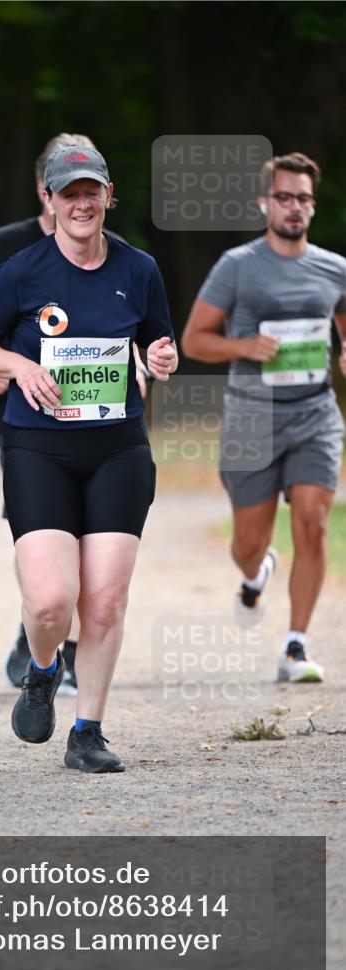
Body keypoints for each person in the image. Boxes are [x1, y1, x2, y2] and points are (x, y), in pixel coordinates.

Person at [0, 144, 177, 773]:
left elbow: (157, 345)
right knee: (51, 602)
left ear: (109, 196)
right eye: (68, 193)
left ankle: (89, 733)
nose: (81, 204)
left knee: (104, 601)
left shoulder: (139, 269)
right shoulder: (24, 270)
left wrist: (159, 361)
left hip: (117, 448)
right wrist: (19, 364)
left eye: (92, 191)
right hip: (39, 450)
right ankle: (45, 668)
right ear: (49, 202)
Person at [182, 152, 346, 682]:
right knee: (248, 543)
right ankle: (255, 577)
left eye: (302, 198)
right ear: (264, 203)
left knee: (315, 524)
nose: (293, 207)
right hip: (251, 416)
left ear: (312, 207)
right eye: (284, 197)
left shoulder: (334, 268)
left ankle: (295, 646)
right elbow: (194, 341)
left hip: (316, 413)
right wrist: (247, 346)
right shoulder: (237, 265)